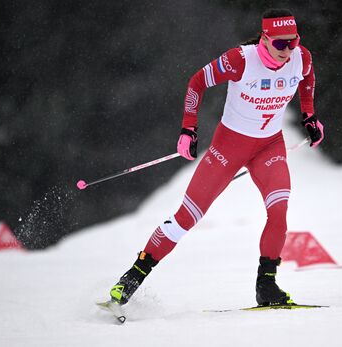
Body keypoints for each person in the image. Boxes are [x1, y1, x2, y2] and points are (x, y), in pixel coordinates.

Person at [108, 8, 324, 307]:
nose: (287, 51)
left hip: (269, 146)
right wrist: (188, 129)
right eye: (280, 44)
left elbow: (308, 78)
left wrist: (310, 116)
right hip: (228, 148)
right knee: (187, 217)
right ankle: (131, 279)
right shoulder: (240, 59)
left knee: (279, 212)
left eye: (293, 42)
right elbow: (197, 83)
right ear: (265, 39)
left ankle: (267, 286)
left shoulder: (301, 57)